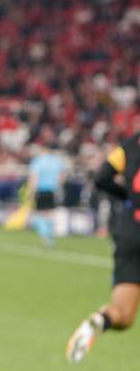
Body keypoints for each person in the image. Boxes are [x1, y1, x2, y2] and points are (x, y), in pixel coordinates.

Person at [66, 135, 140, 363]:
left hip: (131, 230)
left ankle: (101, 319)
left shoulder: (130, 145)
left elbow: (101, 178)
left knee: (123, 313)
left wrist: (128, 195)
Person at [27, 145, 68, 247]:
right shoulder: (57, 161)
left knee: (39, 213)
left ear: (43, 150)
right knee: (49, 213)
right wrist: (58, 184)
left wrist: (32, 191)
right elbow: (63, 174)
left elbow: (34, 177)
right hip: (53, 190)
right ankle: (49, 235)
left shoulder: (38, 161)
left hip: (41, 189)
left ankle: (45, 236)